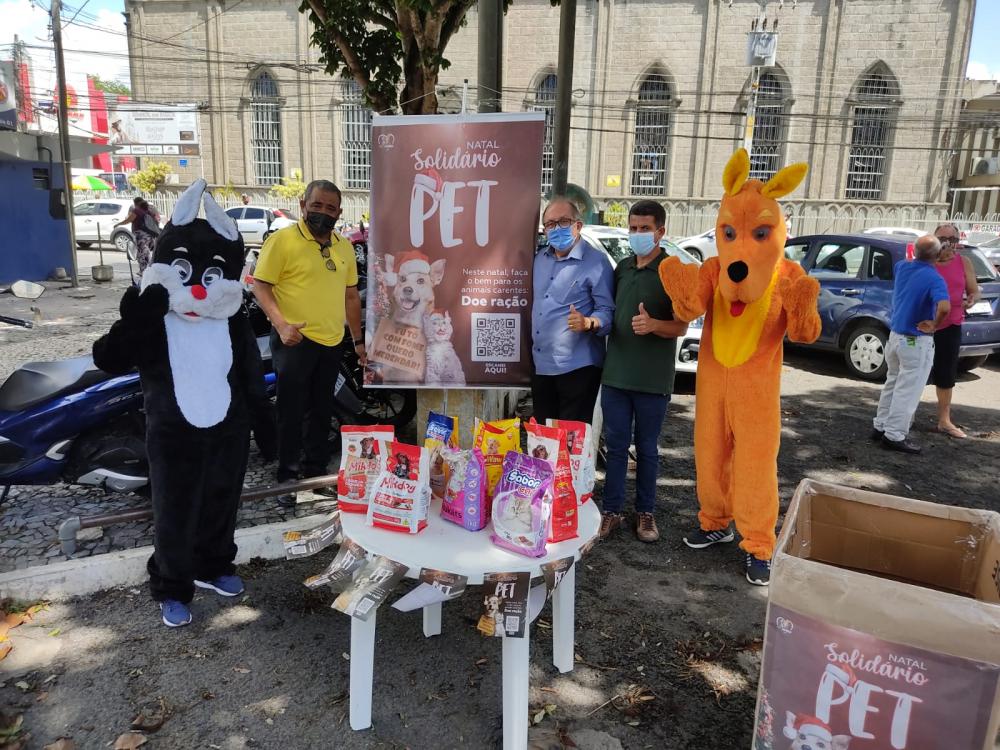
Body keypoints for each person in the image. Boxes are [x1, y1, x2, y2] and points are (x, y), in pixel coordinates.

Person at [252, 180, 365, 504]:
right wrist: (282, 324)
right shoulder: (282, 241)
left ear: (340, 212)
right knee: (290, 410)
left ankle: (315, 474)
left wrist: (357, 341)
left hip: (331, 341)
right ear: (303, 205)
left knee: (321, 409)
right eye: (317, 206)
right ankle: (287, 479)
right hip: (294, 340)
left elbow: (350, 295)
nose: (323, 213)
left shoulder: (343, 246)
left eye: (331, 208)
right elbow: (261, 286)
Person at [598, 200, 687, 543]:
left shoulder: (672, 270)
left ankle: (645, 513)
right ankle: (611, 511)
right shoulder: (621, 267)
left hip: (652, 379)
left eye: (644, 229)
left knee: (647, 449)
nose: (637, 234)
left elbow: (681, 326)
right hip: (616, 375)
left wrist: (653, 325)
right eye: (633, 228)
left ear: (660, 231)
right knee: (616, 448)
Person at [531, 197, 614, 423]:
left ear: (578, 225)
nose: (556, 228)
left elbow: (607, 310)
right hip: (542, 366)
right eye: (550, 224)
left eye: (563, 221)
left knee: (571, 444)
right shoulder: (540, 258)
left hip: (578, 368)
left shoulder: (597, 262)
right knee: (544, 442)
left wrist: (588, 322)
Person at [872, 234, 951, 454]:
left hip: (895, 335)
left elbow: (915, 260)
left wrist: (934, 255)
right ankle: (895, 434)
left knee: (892, 383)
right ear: (937, 255)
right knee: (908, 390)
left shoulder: (902, 267)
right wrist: (935, 324)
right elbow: (944, 307)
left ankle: (881, 425)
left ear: (914, 251)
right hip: (915, 340)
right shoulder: (935, 279)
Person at [930, 224, 980, 439]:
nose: (948, 242)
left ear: (958, 241)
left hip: (950, 325)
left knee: (946, 373)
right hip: (924, 326)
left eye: (952, 238)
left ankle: (944, 420)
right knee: (914, 373)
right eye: (943, 237)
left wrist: (972, 299)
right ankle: (905, 416)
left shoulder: (964, 262)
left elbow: (974, 291)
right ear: (934, 239)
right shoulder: (925, 263)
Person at [115, 197, 160, 278]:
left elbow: (129, 220)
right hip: (150, 236)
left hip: (141, 235)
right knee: (147, 253)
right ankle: (148, 270)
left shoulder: (137, 211)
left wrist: (119, 224)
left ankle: (144, 272)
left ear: (136, 203)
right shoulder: (148, 211)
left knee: (141, 254)